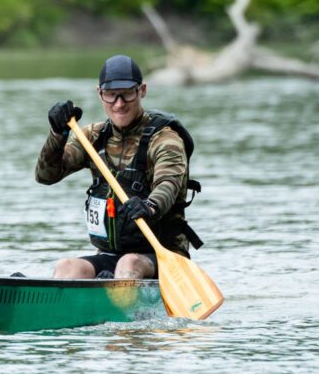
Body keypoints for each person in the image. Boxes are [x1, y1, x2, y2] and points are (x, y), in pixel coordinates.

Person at [35, 54, 203, 280]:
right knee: (67, 267)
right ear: (99, 94)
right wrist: (57, 134)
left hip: (163, 254)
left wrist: (150, 206)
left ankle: (121, 299)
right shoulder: (92, 137)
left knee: (129, 262)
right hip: (110, 255)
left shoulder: (165, 139)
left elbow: (169, 183)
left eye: (127, 95)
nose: (119, 104)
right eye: (111, 96)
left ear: (142, 91)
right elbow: (46, 175)